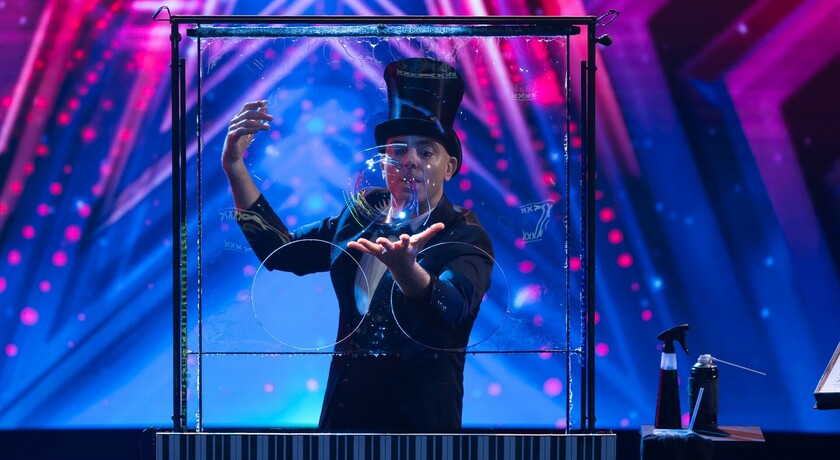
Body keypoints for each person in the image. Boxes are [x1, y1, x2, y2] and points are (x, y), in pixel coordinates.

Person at [222, 58, 493, 432]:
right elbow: (281, 251)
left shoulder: (464, 234)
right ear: (383, 163)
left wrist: (408, 272)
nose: (410, 161)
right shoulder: (361, 215)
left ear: (449, 167)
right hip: (344, 421)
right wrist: (234, 166)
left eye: (426, 152)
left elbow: (453, 307)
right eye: (397, 150)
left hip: (418, 432)